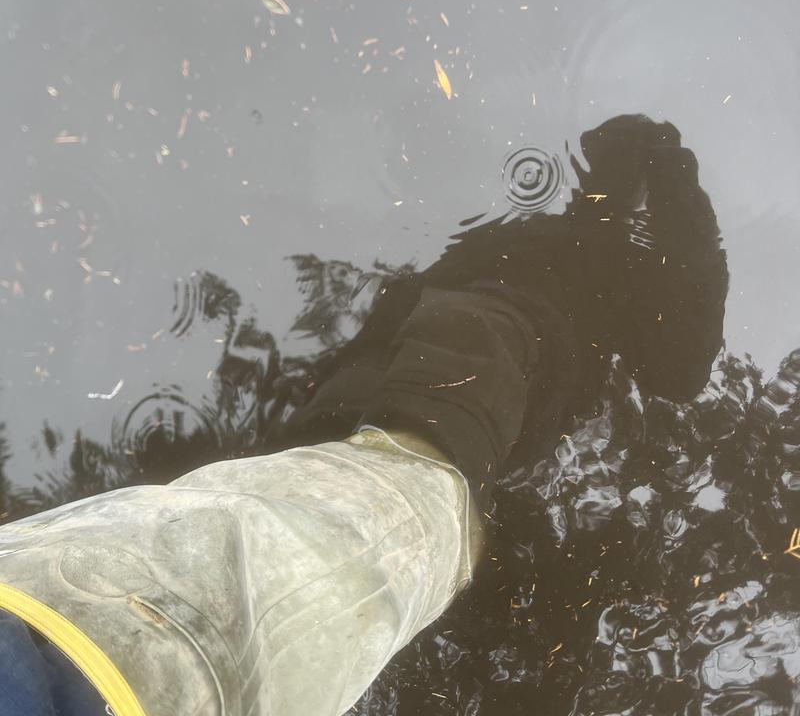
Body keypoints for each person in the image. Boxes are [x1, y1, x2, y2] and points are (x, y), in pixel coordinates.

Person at [0, 115, 728, 716]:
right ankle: (418, 480)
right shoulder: (575, 260)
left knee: (358, 491)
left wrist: (668, 182)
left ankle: (414, 475)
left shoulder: (556, 253)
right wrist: (671, 182)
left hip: (397, 384)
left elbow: (683, 368)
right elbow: (684, 369)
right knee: (392, 501)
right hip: (439, 382)